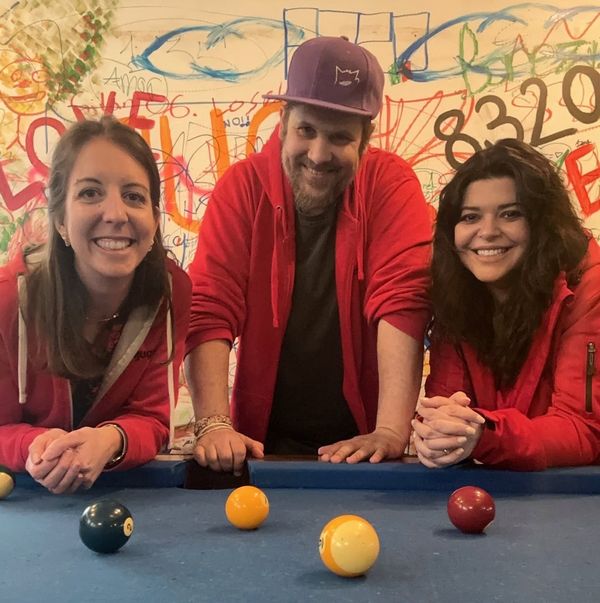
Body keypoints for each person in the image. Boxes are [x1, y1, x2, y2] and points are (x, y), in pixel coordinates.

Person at [186, 36, 432, 475]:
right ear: (283, 122)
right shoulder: (241, 188)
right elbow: (210, 306)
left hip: (364, 443)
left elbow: (402, 301)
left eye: (339, 137)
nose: (318, 155)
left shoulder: (391, 184)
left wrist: (390, 431)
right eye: (307, 131)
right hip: (261, 442)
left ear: (365, 139)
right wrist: (214, 423)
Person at [0, 116, 192, 493]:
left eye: (134, 196)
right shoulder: (7, 299)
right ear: (59, 219)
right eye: (90, 193)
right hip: (25, 498)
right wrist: (35, 445)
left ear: (154, 220)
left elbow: (153, 419)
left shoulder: (171, 291)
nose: (116, 214)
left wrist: (110, 440)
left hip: (123, 490)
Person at [413, 138, 600, 470]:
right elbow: (447, 406)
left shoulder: (590, 288)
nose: (487, 232)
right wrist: (438, 434)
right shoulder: (453, 292)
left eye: (510, 214)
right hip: (497, 478)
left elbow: (582, 429)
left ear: (543, 224)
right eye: (470, 217)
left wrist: (483, 434)